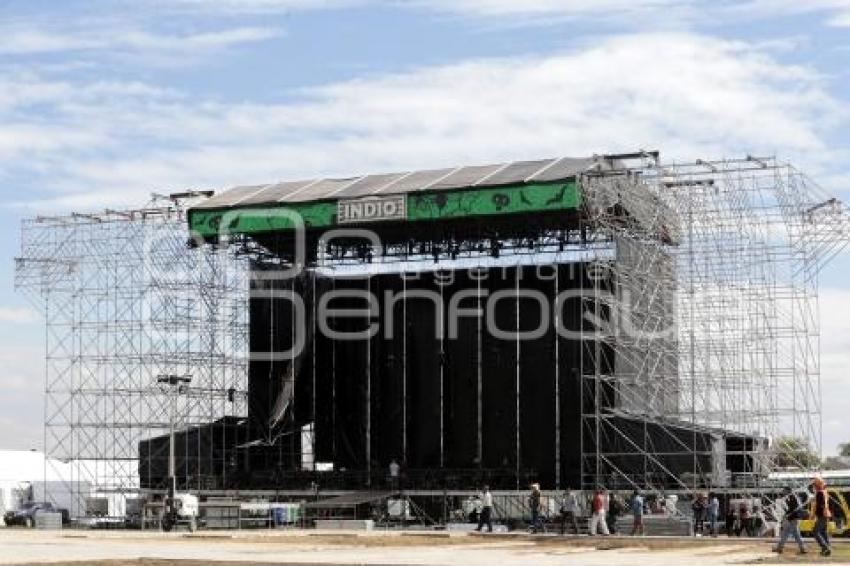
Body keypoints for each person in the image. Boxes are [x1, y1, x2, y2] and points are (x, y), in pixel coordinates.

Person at [774, 487, 807, 555]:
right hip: (793, 518)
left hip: (792, 518)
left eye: (784, 491)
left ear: (788, 491)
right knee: (796, 534)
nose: (783, 492)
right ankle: (803, 548)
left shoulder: (792, 497)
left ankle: (780, 548)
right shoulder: (793, 497)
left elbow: (793, 509)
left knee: (785, 533)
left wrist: (787, 515)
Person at [813, 477, 832, 557]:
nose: (814, 486)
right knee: (823, 532)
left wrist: (814, 514)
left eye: (815, 484)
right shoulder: (824, 492)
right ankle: (827, 548)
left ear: (818, 485)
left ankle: (825, 547)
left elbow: (820, 505)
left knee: (816, 531)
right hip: (826, 515)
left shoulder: (819, 493)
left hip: (822, 515)